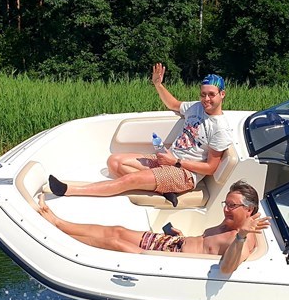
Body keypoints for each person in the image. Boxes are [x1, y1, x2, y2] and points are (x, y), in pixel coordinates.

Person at [47, 63, 233, 204]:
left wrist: (176, 162)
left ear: (222, 94)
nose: (206, 99)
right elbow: (174, 104)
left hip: (184, 173)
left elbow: (210, 168)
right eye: (203, 94)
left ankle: (69, 190)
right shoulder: (196, 107)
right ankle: (163, 190)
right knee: (114, 161)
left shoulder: (220, 128)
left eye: (211, 94)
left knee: (130, 179)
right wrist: (158, 84)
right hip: (168, 158)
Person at [33, 181, 270, 275]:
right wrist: (184, 237)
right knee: (118, 231)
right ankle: (60, 224)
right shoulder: (230, 221)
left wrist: (241, 236)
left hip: (166, 261)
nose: (226, 209)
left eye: (232, 206)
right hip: (173, 243)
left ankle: (58, 235)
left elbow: (227, 268)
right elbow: (205, 244)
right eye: (225, 204)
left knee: (115, 243)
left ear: (248, 210)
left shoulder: (244, 238)